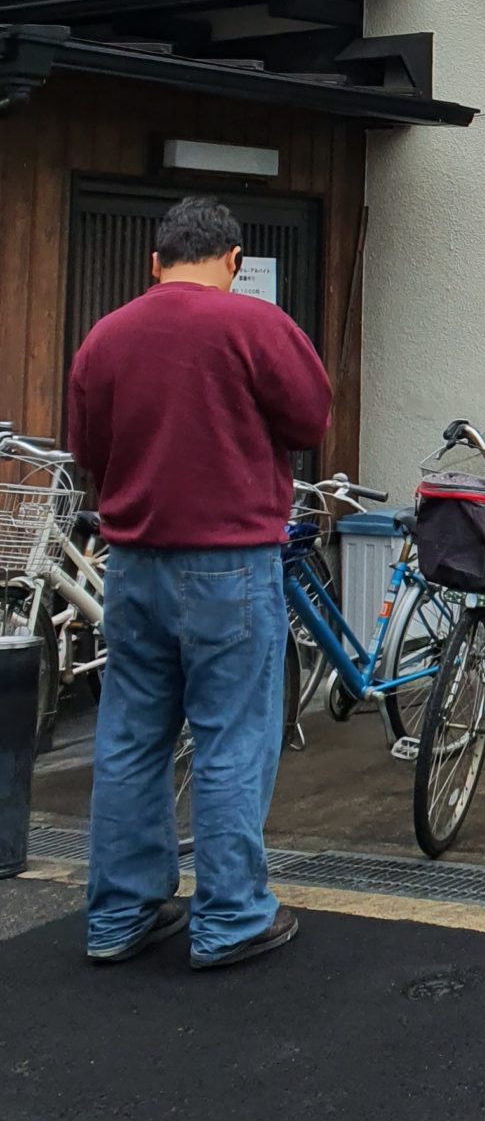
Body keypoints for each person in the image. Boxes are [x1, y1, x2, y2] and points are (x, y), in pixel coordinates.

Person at [65, 196, 332, 970]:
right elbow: (309, 419)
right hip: (229, 564)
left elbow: (87, 447)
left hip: (134, 562)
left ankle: (118, 915)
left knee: (128, 737)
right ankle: (231, 917)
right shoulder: (254, 326)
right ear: (233, 260)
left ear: (155, 261)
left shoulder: (106, 337)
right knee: (230, 738)